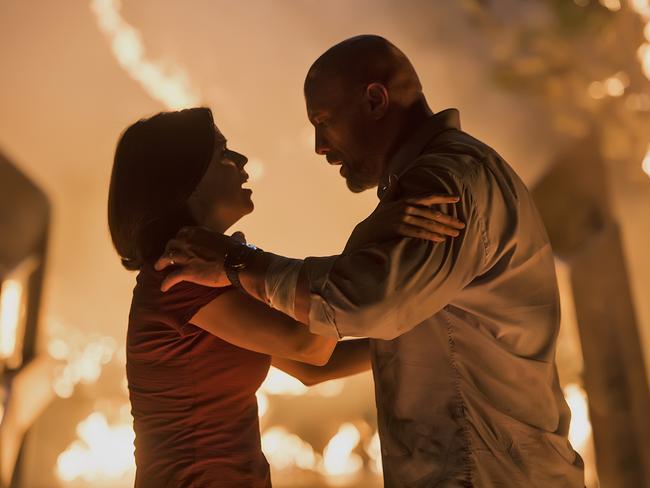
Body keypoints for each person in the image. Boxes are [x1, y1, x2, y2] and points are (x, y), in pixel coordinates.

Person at [156, 36, 586, 487]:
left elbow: (358, 307)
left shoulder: (445, 183)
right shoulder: (451, 173)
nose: (321, 146)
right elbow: (351, 331)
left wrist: (235, 261)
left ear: (376, 100)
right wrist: (366, 239)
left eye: (323, 121)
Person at [107, 107, 464, 487]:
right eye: (223, 153)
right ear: (185, 181)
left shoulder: (215, 269)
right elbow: (309, 345)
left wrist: (425, 339)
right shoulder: (180, 277)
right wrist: (370, 234)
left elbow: (312, 367)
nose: (241, 161)